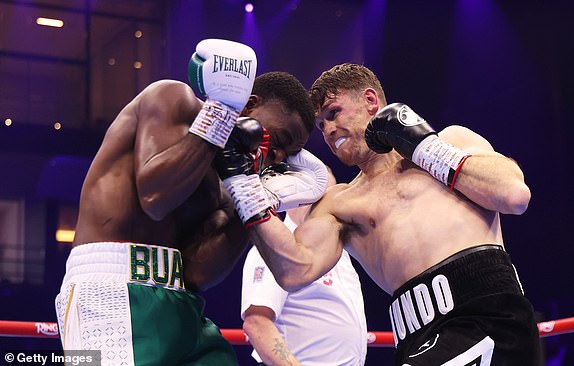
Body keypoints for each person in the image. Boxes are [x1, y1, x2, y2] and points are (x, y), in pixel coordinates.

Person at [218, 63, 542, 365]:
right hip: (417, 339)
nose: (329, 130)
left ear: (370, 100)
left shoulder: (451, 140)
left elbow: (514, 195)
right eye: (321, 125)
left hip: (488, 317)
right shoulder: (340, 203)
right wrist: (244, 187)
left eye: (334, 113)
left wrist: (425, 147)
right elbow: (295, 270)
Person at [54, 38, 322, 365]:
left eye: (286, 153)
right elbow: (155, 198)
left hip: (179, 300)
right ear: (250, 104)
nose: (276, 155)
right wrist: (221, 112)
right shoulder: (173, 98)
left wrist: (255, 196)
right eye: (278, 139)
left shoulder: (230, 180)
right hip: (109, 287)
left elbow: (198, 273)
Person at [240, 168, 367, 366]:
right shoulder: (274, 250)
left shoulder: (340, 252)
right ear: (293, 197)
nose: (322, 207)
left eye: (327, 198)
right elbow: (257, 323)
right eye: (314, 196)